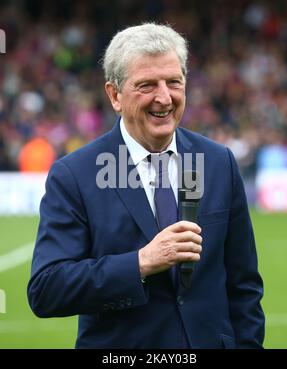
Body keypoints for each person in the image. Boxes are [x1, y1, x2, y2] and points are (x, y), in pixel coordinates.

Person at [27, 23, 265, 349]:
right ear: (115, 95)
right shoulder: (75, 175)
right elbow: (46, 289)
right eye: (147, 85)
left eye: (174, 82)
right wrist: (140, 262)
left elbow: (244, 286)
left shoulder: (218, 162)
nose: (164, 97)